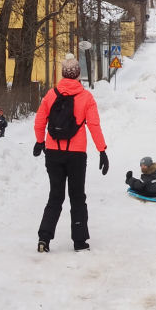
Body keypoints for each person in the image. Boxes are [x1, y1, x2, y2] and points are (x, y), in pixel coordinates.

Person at [33, 54, 109, 253]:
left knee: (55, 196)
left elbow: (39, 121)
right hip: (76, 155)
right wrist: (102, 150)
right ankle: (80, 241)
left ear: (63, 74)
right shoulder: (86, 98)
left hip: (53, 152)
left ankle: (44, 238)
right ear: (78, 74)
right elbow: (94, 125)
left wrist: (40, 141)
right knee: (77, 197)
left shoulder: (51, 95)